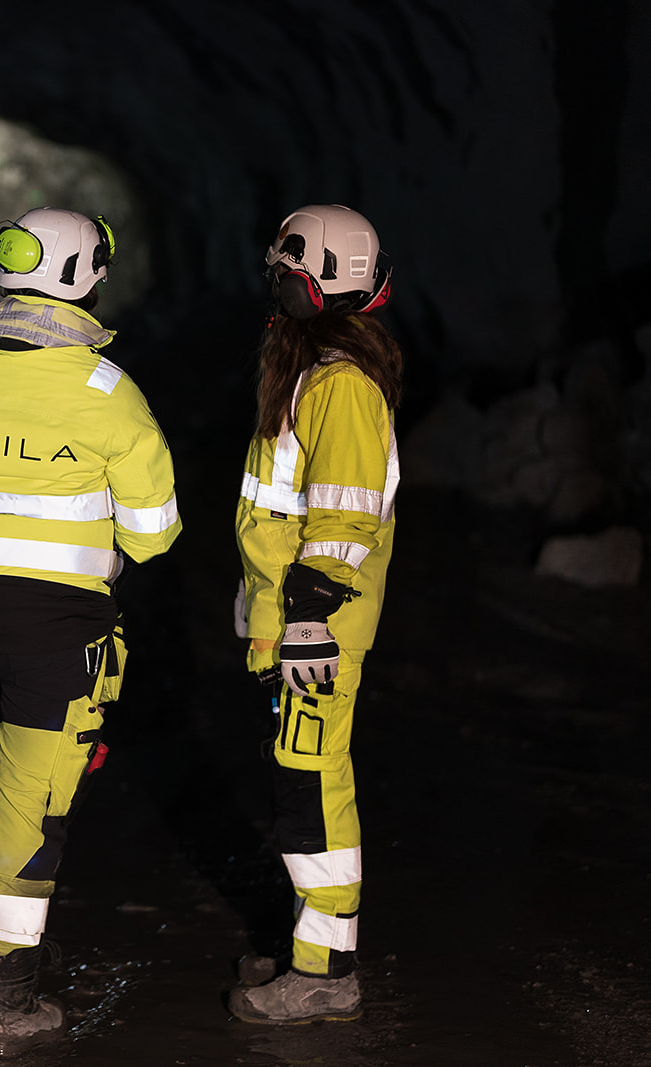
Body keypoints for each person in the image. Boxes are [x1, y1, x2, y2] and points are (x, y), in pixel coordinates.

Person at [0, 207, 181, 1057]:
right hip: (58, 636)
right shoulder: (106, 391)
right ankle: (9, 1007)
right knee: (29, 807)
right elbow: (156, 531)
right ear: (85, 276)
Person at [228, 204, 402, 1024]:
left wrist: (307, 617)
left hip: (318, 632)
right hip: (293, 626)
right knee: (298, 789)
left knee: (314, 793)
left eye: (286, 266)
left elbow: (344, 516)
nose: (275, 279)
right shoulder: (316, 373)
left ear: (321, 278)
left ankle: (327, 971)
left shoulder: (340, 384)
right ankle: (307, 943)